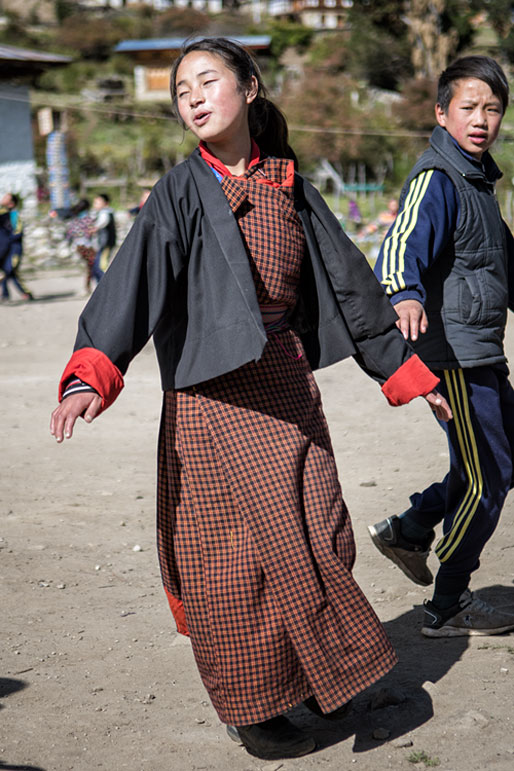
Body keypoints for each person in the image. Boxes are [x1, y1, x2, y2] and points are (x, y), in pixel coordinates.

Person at [50, 37, 451, 761]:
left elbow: (355, 289)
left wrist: (410, 374)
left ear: (252, 88)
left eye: (208, 81)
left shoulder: (291, 184)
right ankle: (257, 711)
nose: (194, 97)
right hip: (211, 404)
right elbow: (130, 284)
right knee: (229, 562)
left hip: (286, 388)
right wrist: (91, 372)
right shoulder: (179, 191)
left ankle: (321, 682)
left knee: (319, 532)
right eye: (181, 91)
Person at [369, 55, 514, 639]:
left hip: (482, 350)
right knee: (488, 476)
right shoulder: (438, 177)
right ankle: (448, 603)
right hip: (451, 354)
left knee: (498, 461)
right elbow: (400, 240)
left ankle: (410, 527)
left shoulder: (479, 181)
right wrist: (403, 292)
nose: (481, 119)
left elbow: (504, 266)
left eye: (493, 109)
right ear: (442, 112)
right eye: (469, 107)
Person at [0, 193, 33, 301]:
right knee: (7, 271)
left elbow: (18, 232)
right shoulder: (3, 213)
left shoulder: (15, 215)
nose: (2, 198)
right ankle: (6, 294)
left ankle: (24, 293)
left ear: (11, 203)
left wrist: (7, 240)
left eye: (6, 198)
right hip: (4, 249)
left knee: (9, 271)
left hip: (14, 249)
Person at [66, 199, 97, 294]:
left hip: (78, 246)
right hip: (86, 246)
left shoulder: (74, 219)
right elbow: (90, 233)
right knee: (93, 265)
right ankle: (89, 286)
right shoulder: (87, 219)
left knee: (90, 266)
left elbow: (69, 234)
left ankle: (88, 286)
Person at [91, 192, 116, 282]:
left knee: (101, 266)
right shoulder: (101, 213)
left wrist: (95, 228)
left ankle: (105, 284)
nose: (95, 205)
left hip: (106, 243)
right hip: (103, 244)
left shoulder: (105, 213)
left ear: (105, 203)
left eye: (98, 202)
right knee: (97, 266)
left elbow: (103, 221)